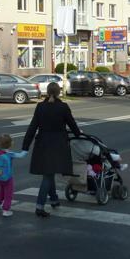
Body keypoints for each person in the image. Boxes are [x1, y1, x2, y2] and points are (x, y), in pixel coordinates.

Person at [21, 82, 81, 218]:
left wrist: (25, 147)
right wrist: (78, 134)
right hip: (58, 145)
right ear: (59, 92)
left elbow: (32, 127)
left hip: (42, 144)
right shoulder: (63, 107)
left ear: (47, 92)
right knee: (48, 175)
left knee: (49, 172)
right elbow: (72, 124)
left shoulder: (40, 107)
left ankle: (53, 199)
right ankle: (39, 206)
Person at [0, 134, 27, 218]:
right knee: (8, 193)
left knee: (2, 190)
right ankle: (6, 210)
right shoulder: (9, 154)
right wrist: (26, 150)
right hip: (7, 177)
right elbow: (21, 155)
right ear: (10, 144)